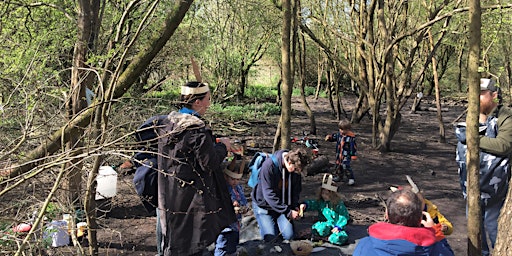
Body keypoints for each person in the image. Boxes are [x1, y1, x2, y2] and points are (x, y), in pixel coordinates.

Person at [157, 81, 237, 256]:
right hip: (192, 198)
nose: (209, 104)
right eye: (207, 99)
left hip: (170, 194)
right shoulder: (195, 129)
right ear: (197, 102)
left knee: (175, 240)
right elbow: (209, 163)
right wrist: (223, 146)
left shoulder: (168, 124)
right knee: (192, 244)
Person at [455, 78, 512, 256]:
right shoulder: (472, 115)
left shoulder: (505, 115)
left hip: (495, 192)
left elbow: (504, 145)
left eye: (480, 94)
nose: (475, 98)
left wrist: (472, 138)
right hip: (471, 189)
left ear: (494, 95)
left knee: (495, 232)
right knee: (475, 236)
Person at [353, 187, 454, 256]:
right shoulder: (434, 249)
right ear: (420, 218)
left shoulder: (365, 245)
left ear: (387, 214)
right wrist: (436, 234)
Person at [251, 148, 311, 242]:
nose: (297, 172)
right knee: (271, 238)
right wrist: (288, 212)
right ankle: (263, 224)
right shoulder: (269, 166)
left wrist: (295, 206)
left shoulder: (296, 170)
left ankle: (275, 223)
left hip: (283, 206)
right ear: (289, 162)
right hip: (264, 206)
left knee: (289, 236)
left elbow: (296, 191)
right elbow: (268, 194)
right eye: (295, 169)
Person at [298, 174, 350, 245]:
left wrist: (339, 227)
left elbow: (344, 216)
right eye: (323, 193)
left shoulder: (338, 204)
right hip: (324, 224)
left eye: (327, 194)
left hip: (335, 227)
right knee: (321, 228)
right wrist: (305, 205)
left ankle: (326, 238)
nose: (324, 196)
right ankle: (316, 233)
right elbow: (313, 204)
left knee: (340, 238)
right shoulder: (321, 202)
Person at [215, 157, 249, 256]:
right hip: (225, 224)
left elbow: (243, 200)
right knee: (222, 244)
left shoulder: (238, 188)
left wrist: (244, 207)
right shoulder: (223, 189)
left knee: (233, 245)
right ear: (226, 177)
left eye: (237, 179)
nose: (235, 182)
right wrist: (232, 204)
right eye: (232, 179)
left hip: (236, 222)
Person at [325, 118, 357, 184]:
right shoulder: (339, 135)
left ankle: (351, 178)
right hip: (339, 154)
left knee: (345, 165)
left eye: (343, 129)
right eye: (340, 129)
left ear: (348, 129)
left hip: (346, 155)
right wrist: (330, 138)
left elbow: (353, 147)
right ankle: (339, 176)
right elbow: (334, 137)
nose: (341, 131)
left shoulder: (350, 137)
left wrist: (353, 154)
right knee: (339, 165)